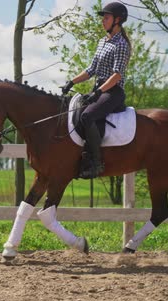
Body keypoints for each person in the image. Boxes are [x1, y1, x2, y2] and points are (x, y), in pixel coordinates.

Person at [61, 2, 131, 179]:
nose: (102, 21)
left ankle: (96, 163)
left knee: (87, 116)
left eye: (106, 18)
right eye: (103, 18)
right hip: (100, 90)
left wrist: (98, 92)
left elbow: (117, 75)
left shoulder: (121, 44)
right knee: (75, 111)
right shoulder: (102, 42)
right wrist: (71, 82)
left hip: (113, 92)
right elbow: (91, 69)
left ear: (118, 20)